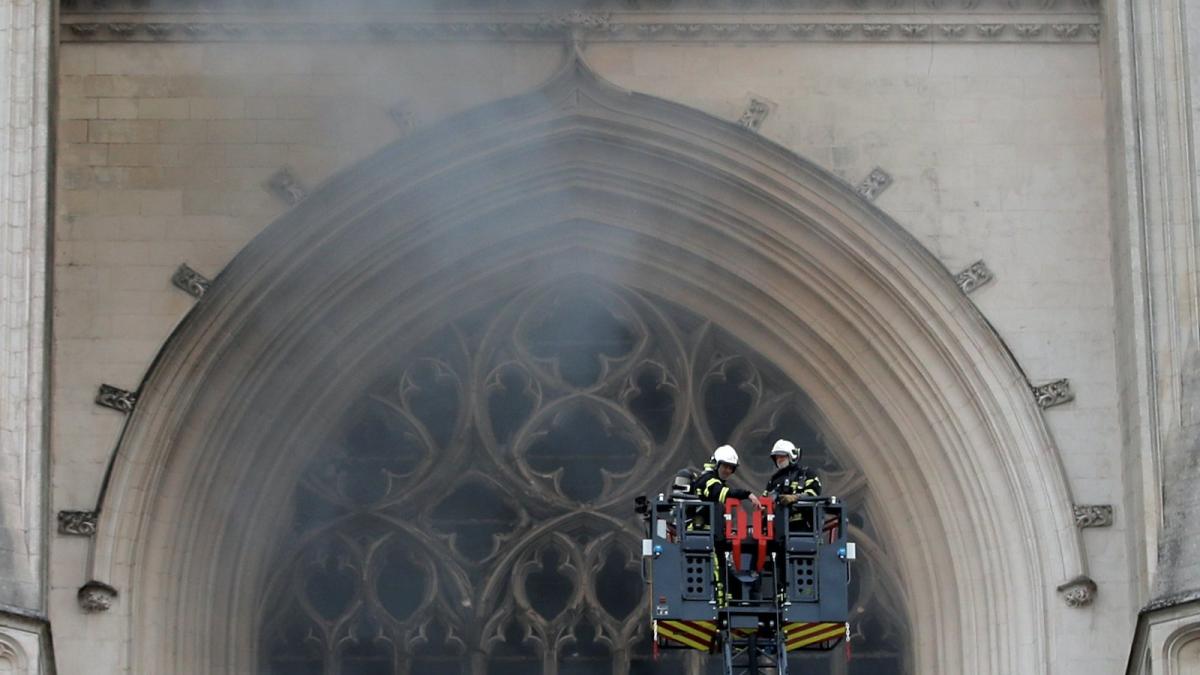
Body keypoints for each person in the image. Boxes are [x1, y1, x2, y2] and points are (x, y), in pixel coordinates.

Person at [693, 445, 762, 510]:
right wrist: (747, 494)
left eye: (731, 468)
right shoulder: (708, 480)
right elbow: (723, 493)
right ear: (716, 465)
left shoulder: (714, 479)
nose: (728, 471)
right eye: (725, 466)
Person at [764, 439, 821, 507]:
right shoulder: (774, 479)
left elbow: (814, 495)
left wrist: (795, 498)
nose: (779, 460)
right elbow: (764, 499)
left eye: (782, 456)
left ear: (792, 456)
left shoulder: (806, 473)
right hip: (779, 516)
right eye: (777, 457)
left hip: (803, 516)